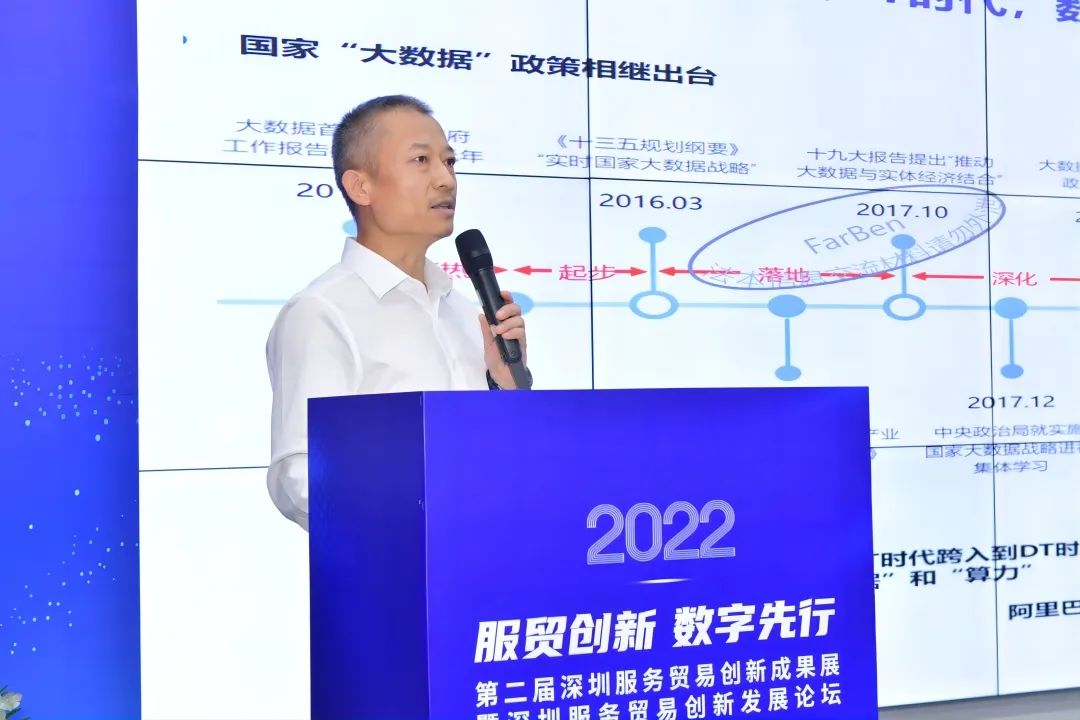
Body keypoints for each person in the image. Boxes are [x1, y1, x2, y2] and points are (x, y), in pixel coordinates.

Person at [264, 95, 529, 531]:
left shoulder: (465, 312)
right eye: (421, 160)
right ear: (360, 187)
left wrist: (508, 388)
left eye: (450, 161)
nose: (445, 179)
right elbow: (298, 475)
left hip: (491, 556)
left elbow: (505, 457)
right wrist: (417, 517)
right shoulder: (321, 313)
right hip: (399, 564)